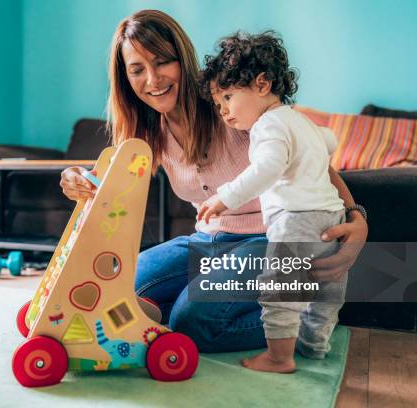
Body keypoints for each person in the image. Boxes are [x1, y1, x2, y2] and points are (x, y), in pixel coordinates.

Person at [59, 10, 368, 353]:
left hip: (270, 238)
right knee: (115, 287)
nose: (153, 79)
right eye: (137, 70)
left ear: (182, 59)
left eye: (162, 62)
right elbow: (110, 177)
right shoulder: (147, 131)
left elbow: (314, 164)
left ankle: (305, 316)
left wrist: (357, 220)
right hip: (208, 241)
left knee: (192, 323)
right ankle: (204, 300)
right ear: (125, 79)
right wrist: (77, 178)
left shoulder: (231, 105)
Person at [197, 30, 350, 373]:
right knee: (325, 289)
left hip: (296, 219)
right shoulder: (301, 121)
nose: (224, 111)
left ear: (263, 84)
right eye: (219, 104)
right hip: (331, 216)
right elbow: (329, 141)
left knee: (280, 290)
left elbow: (267, 168)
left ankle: (279, 358)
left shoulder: (268, 126)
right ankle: (315, 345)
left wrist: (226, 197)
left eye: (228, 97)